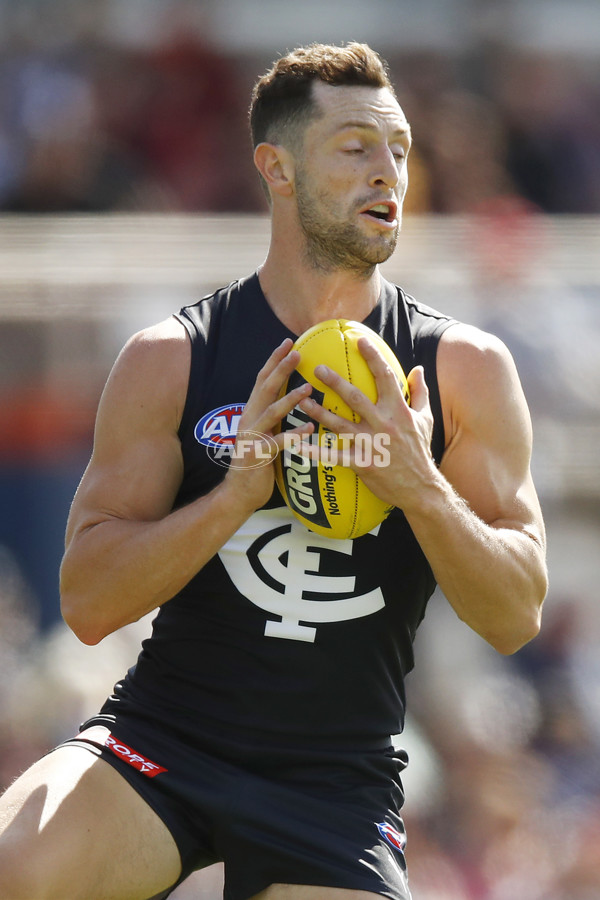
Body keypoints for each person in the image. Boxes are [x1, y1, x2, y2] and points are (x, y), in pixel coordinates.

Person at [0, 42, 548, 900]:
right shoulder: (172, 358)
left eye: (399, 149)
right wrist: (237, 494)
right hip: (162, 742)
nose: (389, 173)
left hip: (335, 780)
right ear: (277, 168)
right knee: (17, 866)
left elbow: (517, 614)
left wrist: (417, 482)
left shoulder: (462, 369)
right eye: (356, 148)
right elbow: (86, 604)